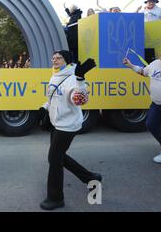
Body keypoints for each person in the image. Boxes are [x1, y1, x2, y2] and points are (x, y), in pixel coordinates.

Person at [37, 51, 101, 210]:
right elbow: (53, 97)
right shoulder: (55, 75)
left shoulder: (73, 77)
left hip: (67, 126)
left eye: (59, 58)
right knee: (59, 157)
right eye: (53, 58)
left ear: (67, 60)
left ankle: (56, 198)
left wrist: (80, 79)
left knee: (54, 159)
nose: (54, 60)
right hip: (56, 123)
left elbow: (79, 100)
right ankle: (91, 178)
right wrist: (44, 108)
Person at [123, 46, 161, 169]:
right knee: (151, 125)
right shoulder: (155, 64)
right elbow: (143, 72)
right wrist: (130, 65)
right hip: (157, 104)